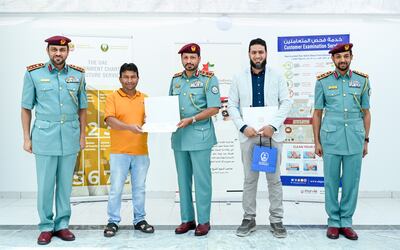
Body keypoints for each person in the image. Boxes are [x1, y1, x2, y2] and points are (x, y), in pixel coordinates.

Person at [21, 35, 87, 245]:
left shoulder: (78, 75)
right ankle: (46, 226)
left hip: (70, 135)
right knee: (46, 184)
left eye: (62, 50)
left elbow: (82, 108)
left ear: (68, 51)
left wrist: (83, 135)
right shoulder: (34, 74)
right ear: (48, 51)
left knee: (65, 185)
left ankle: (62, 225)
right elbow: (25, 108)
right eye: (54, 50)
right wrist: (26, 138)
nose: (58, 54)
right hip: (44, 136)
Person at [228, 38, 292, 238]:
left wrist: (273, 126)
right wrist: (243, 126)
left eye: (260, 52)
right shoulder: (238, 77)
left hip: (271, 135)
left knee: (274, 180)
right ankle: (249, 218)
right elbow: (231, 105)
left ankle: (277, 220)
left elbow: (286, 102)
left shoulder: (278, 76)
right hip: (249, 137)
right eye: (254, 52)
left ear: (266, 53)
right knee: (250, 179)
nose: (257, 56)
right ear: (248, 54)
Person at [312, 43, 371, 240]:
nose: (342, 60)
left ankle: (346, 221)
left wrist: (365, 140)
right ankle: (333, 222)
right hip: (330, 139)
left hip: (355, 139)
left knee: (351, 182)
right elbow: (318, 113)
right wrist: (317, 142)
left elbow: (366, 113)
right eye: (338, 57)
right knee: (330, 181)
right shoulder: (323, 82)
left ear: (351, 57)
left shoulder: (362, 81)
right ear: (333, 60)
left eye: (345, 56)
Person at [169, 43, 220, 236]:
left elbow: (214, 108)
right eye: (185, 58)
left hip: (200, 136)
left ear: (199, 59)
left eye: (192, 58)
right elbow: (169, 106)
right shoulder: (175, 80)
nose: (188, 61)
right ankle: (187, 220)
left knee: (202, 181)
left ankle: (204, 221)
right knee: (183, 181)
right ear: (182, 59)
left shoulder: (209, 79)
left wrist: (191, 119)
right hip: (179, 137)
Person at [103, 63, 154, 237]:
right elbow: (109, 120)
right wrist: (129, 127)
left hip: (141, 152)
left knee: (139, 188)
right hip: (119, 152)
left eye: (133, 77)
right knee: (116, 188)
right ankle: (113, 221)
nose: (129, 80)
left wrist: (155, 120)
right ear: (120, 78)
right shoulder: (112, 98)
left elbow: (152, 122)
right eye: (126, 77)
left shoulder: (146, 98)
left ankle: (139, 220)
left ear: (138, 78)